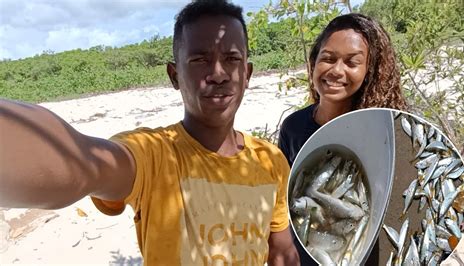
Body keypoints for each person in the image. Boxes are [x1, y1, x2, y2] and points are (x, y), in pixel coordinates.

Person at [0, 1, 299, 265]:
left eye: (232, 59)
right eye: (199, 60)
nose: (218, 73)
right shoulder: (153, 154)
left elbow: (282, 253)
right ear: (174, 75)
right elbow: (82, 165)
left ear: (246, 74)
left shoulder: (270, 160)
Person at [278, 13, 407, 265]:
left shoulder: (385, 134)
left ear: (369, 71)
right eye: (327, 58)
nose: (337, 70)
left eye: (352, 62)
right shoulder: (292, 127)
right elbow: (283, 200)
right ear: (313, 62)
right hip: (308, 253)